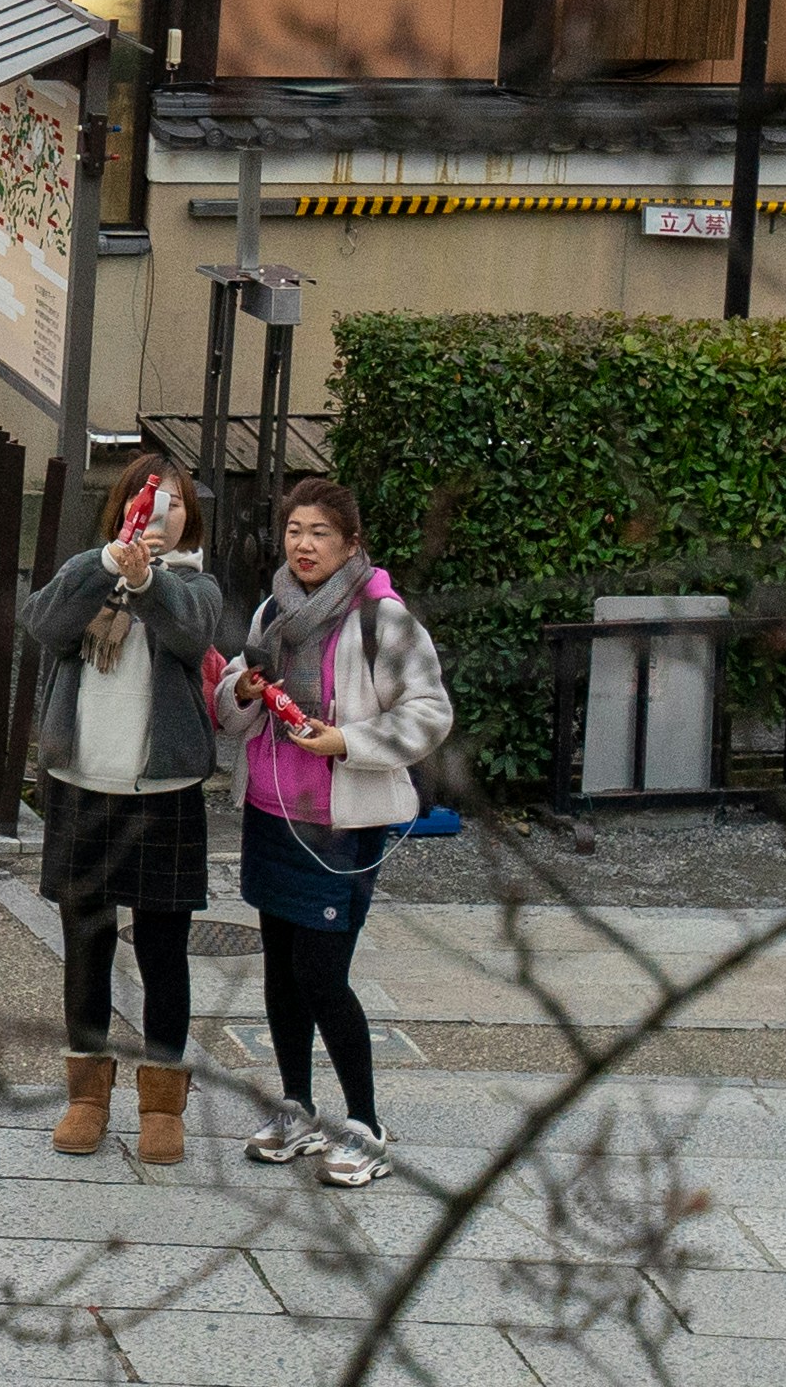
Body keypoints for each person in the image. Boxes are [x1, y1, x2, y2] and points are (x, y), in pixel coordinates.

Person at [234, 470, 454, 1187]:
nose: (304, 545)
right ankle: (296, 1105)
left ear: (351, 543)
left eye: (319, 533)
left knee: (322, 973)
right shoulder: (273, 610)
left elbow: (429, 711)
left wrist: (348, 743)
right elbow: (239, 697)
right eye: (295, 531)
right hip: (272, 809)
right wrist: (238, 689)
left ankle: (366, 1123)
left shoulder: (381, 619)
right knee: (278, 969)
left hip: (340, 824)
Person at [17, 451, 233, 1166]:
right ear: (123, 511)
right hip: (83, 784)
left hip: (163, 794)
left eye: (174, 507)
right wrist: (106, 567)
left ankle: (162, 1101)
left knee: (165, 950)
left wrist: (145, 582)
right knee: (86, 942)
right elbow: (43, 623)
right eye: (150, 504)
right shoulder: (88, 572)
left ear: (189, 518)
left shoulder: (194, 585)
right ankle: (86, 1093)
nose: (159, 518)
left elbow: (190, 637)